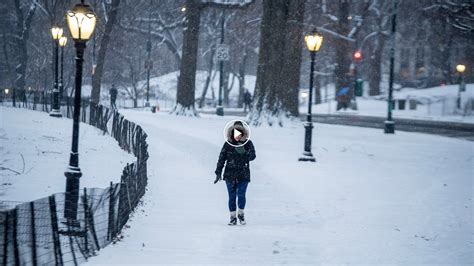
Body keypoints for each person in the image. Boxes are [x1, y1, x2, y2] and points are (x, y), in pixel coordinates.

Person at [214, 121, 256, 226]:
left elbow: (253, 156)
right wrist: (218, 172)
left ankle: (241, 215)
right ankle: (232, 217)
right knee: (232, 196)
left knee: (241, 194)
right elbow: (221, 158)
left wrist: (244, 153)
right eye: (235, 131)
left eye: (240, 132)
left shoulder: (248, 143)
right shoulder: (228, 144)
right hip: (230, 174)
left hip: (243, 173)